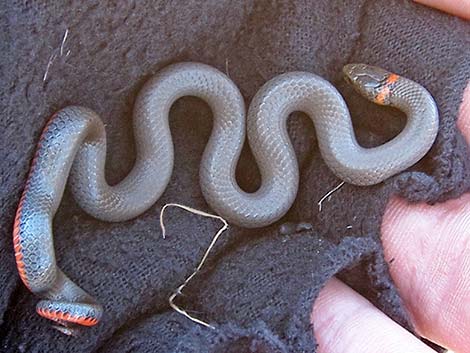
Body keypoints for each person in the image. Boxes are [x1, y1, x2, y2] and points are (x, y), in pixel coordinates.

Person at [311, 2, 470, 352]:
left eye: (360, 84)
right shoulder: (416, 110)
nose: (353, 79)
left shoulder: (422, 113)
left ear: (385, 94)